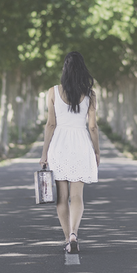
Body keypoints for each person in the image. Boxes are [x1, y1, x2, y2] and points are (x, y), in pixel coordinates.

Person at [40, 51, 100, 254]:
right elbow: (92, 127)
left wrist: (44, 153)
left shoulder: (53, 92)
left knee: (62, 197)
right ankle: (74, 233)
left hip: (59, 145)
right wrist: (97, 151)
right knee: (77, 196)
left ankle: (67, 239)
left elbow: (50, 124)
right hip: (81, 145)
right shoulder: (90, 94)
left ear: (64, 69)